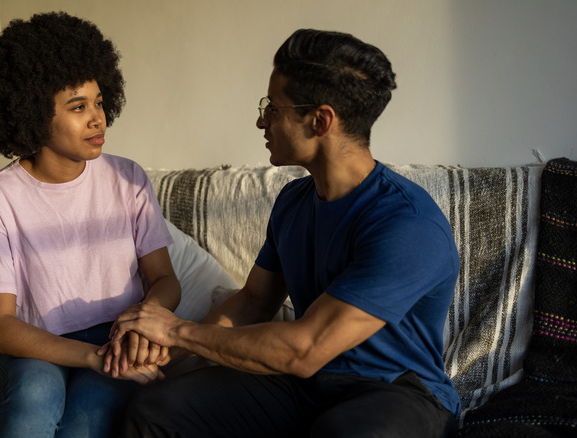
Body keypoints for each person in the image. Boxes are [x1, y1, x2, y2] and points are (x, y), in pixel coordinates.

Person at [111, 29, 460, 437]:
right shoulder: (294, 201)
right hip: (304, 384)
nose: (261, 120)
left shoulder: (407, 224)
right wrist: (161, 348)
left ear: (320, 120)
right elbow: (254, 303)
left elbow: (305, 349)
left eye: (273, 108)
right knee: (156, 409)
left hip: (395, 391)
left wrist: (173, 328)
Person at [0, 12, 180, 438]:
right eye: (78, 107)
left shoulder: (128, 179)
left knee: (92, 411)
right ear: (32, 114)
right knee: (36, 389)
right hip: (28, 346)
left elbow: (164, 279)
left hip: (114, 335)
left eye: (99, 102)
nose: (98, 118)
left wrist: (140, 324)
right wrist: (91, 355)